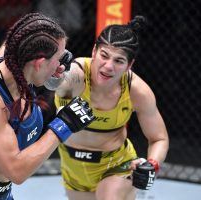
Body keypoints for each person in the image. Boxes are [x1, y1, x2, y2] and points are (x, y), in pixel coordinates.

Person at [0, 12, 95, 200]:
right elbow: (16, 171)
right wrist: (63, 125)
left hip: (3, 194)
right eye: (57, 59)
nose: (60, 64)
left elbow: (25, 31)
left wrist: (54, 72)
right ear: (38, 62)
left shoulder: (21, 62)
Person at [44, 16, 169, 200]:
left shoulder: (138, 91)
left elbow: (159, 138)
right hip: (72, 167)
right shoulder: (78, 74)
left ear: (130, 65)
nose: (108, 66)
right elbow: (60, 82)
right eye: (104, 55)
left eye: (119, 61)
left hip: (116, 164)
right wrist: (54, 74)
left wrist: (152, 165)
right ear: (94, 51)